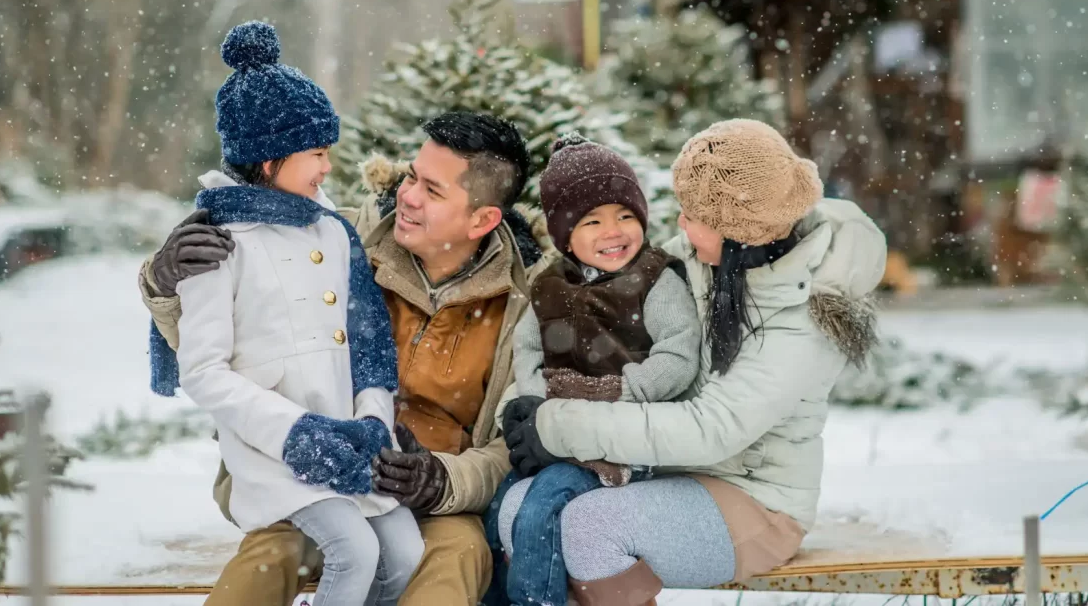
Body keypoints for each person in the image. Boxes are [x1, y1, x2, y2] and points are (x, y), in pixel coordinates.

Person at [141, 108, 551, 606]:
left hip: (433, 499)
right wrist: (165, 283)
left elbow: (510, 446)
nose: (408, 196)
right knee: (277, 551)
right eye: (411, 177)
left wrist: (443, 480)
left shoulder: (523, 305)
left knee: (456, 554)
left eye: (433, 190)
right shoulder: (334, 239)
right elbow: (227, 353)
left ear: (482, 219)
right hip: (308, 474)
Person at [504, 119, 888, 605]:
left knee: (589, 527)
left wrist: (560, 426)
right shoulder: (705, 261)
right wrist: (531, 401)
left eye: (693, 215)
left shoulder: (804, 318)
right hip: (667, 472)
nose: (679, 225)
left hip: (757, 500)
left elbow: (713, 428)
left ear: (739, 232)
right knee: (518, 509)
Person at [150, 20, 424, 606]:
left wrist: (373, 422)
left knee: (404, 552)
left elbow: (370, 342)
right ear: (269, 158)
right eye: (317, 154)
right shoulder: (219, 241)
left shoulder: (332, 229)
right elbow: (203, 369)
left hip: (352, 440)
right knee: (355, 551)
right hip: (274, 450)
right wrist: (297, 434)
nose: (328, 168)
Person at [487, 133, 701, 606]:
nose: (614, 231)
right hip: (555, 439)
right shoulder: (548, 287)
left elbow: (679, 354)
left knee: (544, 507)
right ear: (565, 235)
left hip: (621, 444)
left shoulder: (655, 280)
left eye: (626, 216)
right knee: (499, 507)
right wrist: (541, 406)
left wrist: (618, 391)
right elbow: (528, 353)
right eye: (593, 221)